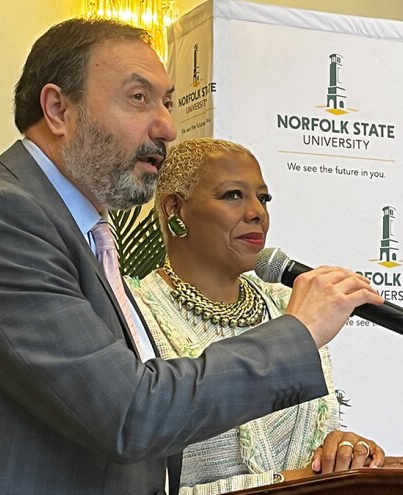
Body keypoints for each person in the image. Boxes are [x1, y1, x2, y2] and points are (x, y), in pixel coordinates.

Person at [0, 18, 383, 495]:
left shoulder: (83, 232)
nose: (166, 128)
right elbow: (129, 415)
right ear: (57, 110)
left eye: (167, 103)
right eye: (139, 99)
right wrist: (298, 333)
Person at [128, 138, 385, 494]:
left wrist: (342, 452)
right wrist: (284, 483)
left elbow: (314, 443)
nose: (256, 213)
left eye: (263, 198)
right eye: (233, 195)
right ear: (175, 208)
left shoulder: (288, 308)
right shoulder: (134, 313)